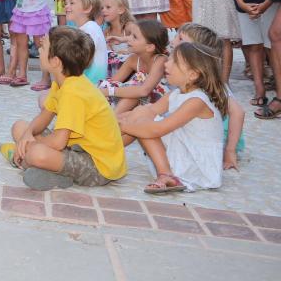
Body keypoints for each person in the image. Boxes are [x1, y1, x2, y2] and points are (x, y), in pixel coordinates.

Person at [3, 28, 127, 191]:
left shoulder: (73, 92)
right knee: (19, 127)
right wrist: (27, 135)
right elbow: (44, 117)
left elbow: (58, 142)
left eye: (43, 47)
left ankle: (32, 163)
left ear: (55, 61)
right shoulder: (62, 81)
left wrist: (30, 146)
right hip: (76, 148)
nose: (39, 50)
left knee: (36, 154)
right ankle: (41, 167)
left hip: (99, 166)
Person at [119, 42, 227, 194]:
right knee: (140, 113)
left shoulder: (197, 101)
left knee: (146, 126)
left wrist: (123, 126)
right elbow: (148, 112)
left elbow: (158, 129)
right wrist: (119, 118)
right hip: (181, 150)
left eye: (174, 62)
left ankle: (166, 175)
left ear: (193, 74)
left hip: (196, 164)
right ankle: (103, 148)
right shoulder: (177, 94)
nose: (167, 64)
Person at [173, 24, 245, 170]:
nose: (173, 42)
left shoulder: (211, 83)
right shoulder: (180, 69)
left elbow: (238, 113)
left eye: (180, 39)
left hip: (219, 138)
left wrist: (230, 150)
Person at [100, 20, 169, 115]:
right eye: (130, 35)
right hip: (136, 102)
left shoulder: (160, 60)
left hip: (158, 104)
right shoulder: (133, 59)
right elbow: (113, 82)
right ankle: (108, 117)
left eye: (134, 37)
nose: (128, 39)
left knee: (139, 81)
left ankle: (112, 119)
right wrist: (105, 91)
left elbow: (144, 91)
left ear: (149, 47)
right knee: (112, 86)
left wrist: (107, 91)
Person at [64, 0, 108, 84]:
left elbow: (82, 60)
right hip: (86, 82)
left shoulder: (90, 29)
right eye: (66, 3)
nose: (66, 6)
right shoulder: (85, 28)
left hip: (91, 84)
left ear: (87, 8)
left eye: (71, 3)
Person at [102, 0, 135, 78]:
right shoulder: (106, 32)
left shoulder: (129, 27)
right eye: (102, 8)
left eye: (108, 7)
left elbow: (142, 40)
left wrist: (128, 51)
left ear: (121, 10)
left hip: (133, 73)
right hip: (115, 73)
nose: (103, 10)